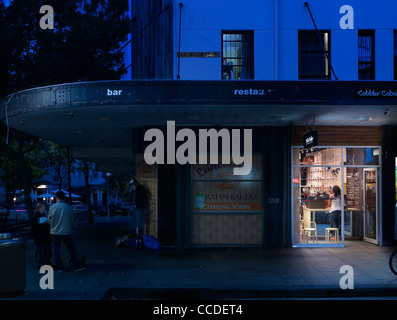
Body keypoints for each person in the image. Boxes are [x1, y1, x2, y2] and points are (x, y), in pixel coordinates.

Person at [48, 191, 85, 272]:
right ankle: (76, 265)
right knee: (71, 248)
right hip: (65, 231)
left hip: (54, 231)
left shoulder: (52, 207)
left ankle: (59, 267)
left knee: (56, 250)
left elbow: (49, 219)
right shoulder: (68, 207)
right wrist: (70, 226)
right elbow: (72, 219)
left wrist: (52, 225)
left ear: (56, 197)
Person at [31, 201, 52, 269]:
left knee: (44, 249)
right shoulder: (38, 216)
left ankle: (45, 262)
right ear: (40, 207)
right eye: (44, 206)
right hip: (41, 236)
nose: (45, 207)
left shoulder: (40, 215)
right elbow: (35, 228)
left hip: (43, 236)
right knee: (42, 250)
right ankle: (42, 263)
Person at [128, 178, 148, 248]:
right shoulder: (133, 190)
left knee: (139, 221)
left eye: (133, 185)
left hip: (139, 208)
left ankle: (139, 235)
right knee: (134, 221)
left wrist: (137, 205)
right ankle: (135, 234)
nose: (132, 186)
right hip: (135, 207)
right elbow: (131, 198)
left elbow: (142, 199)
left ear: (135, 184)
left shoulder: (139, 190)